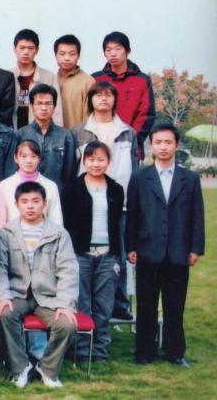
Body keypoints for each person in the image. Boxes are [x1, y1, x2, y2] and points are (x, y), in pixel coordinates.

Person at [126, 123, 205, 367]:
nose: (163, 147)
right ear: (151, 145)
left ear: (176, 145)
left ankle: (175, 352)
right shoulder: (140, 177)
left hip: (178, 251)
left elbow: (197, 215)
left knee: (174, 305)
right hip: (147, 250)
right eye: (158, 142)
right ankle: (144, 351)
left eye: (168, 142)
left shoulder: (189, 178)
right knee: (146, 304)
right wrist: (131, 247)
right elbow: (132, 215)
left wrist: (196, 248)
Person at [0, 181, 78, 389]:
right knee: (5, 313)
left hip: (48, 296)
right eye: (24, 201)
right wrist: (3, 296)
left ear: (44, 203)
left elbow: (68, 271)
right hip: (18, 294)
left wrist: (64, 303)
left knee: (67, 324)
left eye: (35, 201)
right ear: (16, 204)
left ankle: (47, 369)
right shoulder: (6, 233)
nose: (30, 206)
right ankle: (20, 367)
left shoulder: (59, 234)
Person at [73, 81, 137, 320]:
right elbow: (73, 168)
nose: (103, 98)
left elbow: (134, 167)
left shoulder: (128, 132)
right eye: (98, 95)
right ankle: (85, 307)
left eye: (108, 95)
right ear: (90, 99)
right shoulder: (79, 131)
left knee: (117, 254)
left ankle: (118, 302)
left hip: (119, 201)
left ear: (114, 99)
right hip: (87, 201)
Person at [62, 141, 124, 363]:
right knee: (82, 304)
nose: (96, 164)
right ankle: (81, 350)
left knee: (104, 306)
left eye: (101, 159)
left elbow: (117, 223)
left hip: (108, 255)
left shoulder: (116, 189)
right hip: (80, 254)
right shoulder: (72, 188)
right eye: (91, 159)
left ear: (108, 162)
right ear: (84, 161)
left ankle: (100, 351)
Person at [92, 31, 155, 156]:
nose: (113, 53)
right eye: (108, 50)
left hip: (130, 147)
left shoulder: (142, 80)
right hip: (100, 147)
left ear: (128, 51)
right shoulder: (95, 79)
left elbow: (146, 115)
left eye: (118, 49)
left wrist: (131, 140)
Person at [15, 83, 78, 193]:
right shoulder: (20, 135)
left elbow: (70, 173)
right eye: (39, 103)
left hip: (58, 195)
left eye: (48, 103)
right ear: (32, 106)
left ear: (54, 106)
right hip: (27, 195)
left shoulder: (66, 136)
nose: (44, 108)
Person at [0, 140, 63, 224]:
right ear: (16, 158)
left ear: (39, 159)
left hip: (42, 231)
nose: (29, 160)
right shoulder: (4, 185)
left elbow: (56, 219)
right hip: (12, 231)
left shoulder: (50, 186)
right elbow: (0, 219)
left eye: (33, 156)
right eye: (24, 156)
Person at [11, 29, 64, 129]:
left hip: (40, 131)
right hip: (13, 131)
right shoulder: (7, 76)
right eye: (22, 48)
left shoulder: (49, 77)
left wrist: (57, 134)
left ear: (37, 50)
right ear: (14, 49)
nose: (26, 52)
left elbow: (57, 111)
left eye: (30, 48)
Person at [53, 34, 94, 129]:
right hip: (53, 136)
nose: (67, 58)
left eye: (72, 54)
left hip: (77, 135)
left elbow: (89, 118)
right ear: (55, 55)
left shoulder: (88, 82)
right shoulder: (51, 80)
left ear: (78, 56)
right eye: (62, 54)